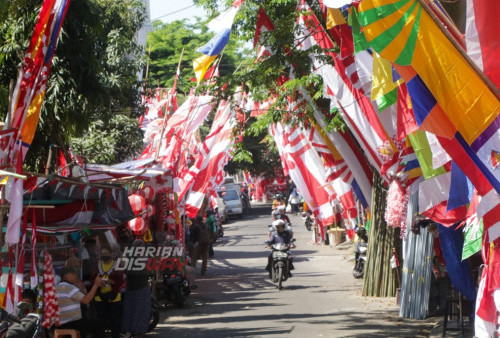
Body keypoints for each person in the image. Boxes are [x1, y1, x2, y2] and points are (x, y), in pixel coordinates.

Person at [56, 267, 103, 338]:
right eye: (72, 274)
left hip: (61, 323)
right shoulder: (68, 287)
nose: (75, 276)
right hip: (71, 322)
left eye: (75, 273)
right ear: (65, 277)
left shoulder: (58, 287)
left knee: (87, 323)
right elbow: (86, 300)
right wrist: (96, 285)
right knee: (98, 325)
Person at [121, 239, 151, 338]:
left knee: (130, 310)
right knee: (140, 310)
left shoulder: (128, 256)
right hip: (140, 287)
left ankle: (130, 332)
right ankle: (138, 331)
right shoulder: (141, 256)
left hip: (132, 286)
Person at [93, 245, 124, 338]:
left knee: (114, 320)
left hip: (114, 296)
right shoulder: (97, 265)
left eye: (106, 254)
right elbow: (92, 278)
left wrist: (112, 282)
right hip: (99, 296)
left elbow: (121, 280)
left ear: (111, 254)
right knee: (101, 320)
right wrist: (98, 282)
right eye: (102, 254)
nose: (104, 256)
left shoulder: (116, 265)